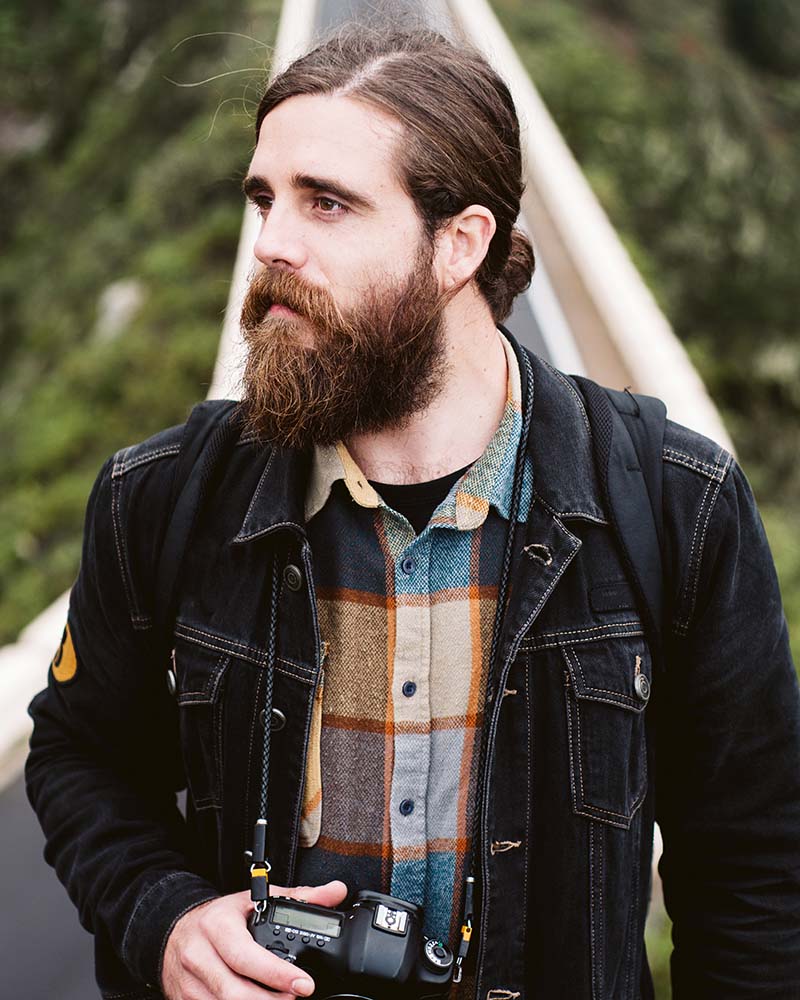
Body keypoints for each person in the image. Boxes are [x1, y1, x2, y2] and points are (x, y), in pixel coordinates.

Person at [26, 27, 800, 1000]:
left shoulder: (676, 504)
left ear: (460, 243)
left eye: (327, 202)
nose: (270, 244)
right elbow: (79, 754)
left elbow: (752, 872)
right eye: (264, 198)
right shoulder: (158, 498)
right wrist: (165, 916)